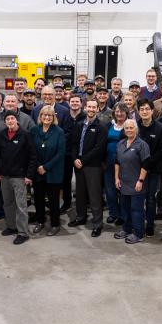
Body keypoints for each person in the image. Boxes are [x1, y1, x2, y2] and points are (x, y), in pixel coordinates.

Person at [0, 111, 37, 245]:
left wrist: (29, 175)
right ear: (5, 121)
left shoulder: (25, 135)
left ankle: (23, 232)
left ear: (16, 120)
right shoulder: (1, 135)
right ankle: (12, 226)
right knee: (7, 203)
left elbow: (33, 156)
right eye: (7, 119)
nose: (10, 121)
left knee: (21, 205)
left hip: (19, 176)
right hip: (5, 176)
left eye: (12, 118)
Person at [68, 100, 107, 236]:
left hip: (93, 166)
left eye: (93, 107)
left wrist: (82, 160)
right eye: (89, 106)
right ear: (85, 108)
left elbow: (99, 149)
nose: (91, 109)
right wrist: (75, 159)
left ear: (97, 109)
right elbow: (73, 144)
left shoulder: (101, 127)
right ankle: (81, 217)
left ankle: (97, 224)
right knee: (80, 194)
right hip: (78, 164)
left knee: (94, 195)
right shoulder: (79, 125)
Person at [114, 119, 150, 244]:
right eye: (127, 128)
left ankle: (139, 233)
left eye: (131, 128)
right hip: (124, 182)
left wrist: (140, 181)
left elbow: (145, 164)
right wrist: (116, 178)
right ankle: (127, 229)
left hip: (136, 183)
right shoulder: (121, 144)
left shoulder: (142, 144)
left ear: (136, 129)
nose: (129, 130)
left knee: (136, 209)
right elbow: (117, 162)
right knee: (125, 208)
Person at [30, 106, 65, 236]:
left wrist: (46, 167)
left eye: (50, 115)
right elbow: (31, 150)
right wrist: (39, 166)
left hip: (53, 171)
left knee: (53, 200)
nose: (47, 117)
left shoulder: (59, 132)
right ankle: (40, 221)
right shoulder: (34, 130)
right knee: (38, 198)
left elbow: (60, 153)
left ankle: (55, 224)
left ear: (53, 117)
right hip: (38, 171)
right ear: (40, 116)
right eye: (44, 115)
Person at [136, 98, 162, 237]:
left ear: (152, 111)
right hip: (136, 171)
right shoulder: (135, 127)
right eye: (141, 109)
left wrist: (147, 163)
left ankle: (150, 225)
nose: (144, 111)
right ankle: (137, 224)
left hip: (154, 171)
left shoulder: (160, 129)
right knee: (137, 199)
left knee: (150, 199)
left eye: (147, 109)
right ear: (138, 111)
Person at [104, 104, 129, 226]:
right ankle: (113, 213)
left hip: (124, 162)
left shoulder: (129, 126)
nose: (119, 114)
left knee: (122, 189)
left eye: (122, 111)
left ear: (126, 113)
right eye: (118, 111)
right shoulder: (109, 125)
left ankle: (123, 215)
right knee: (110, 189)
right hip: (109, 161)